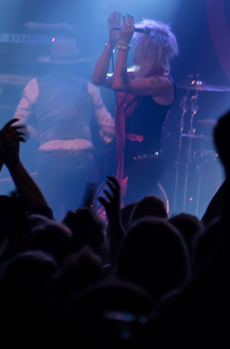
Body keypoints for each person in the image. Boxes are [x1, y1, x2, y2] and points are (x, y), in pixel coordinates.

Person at [13, 38, 115, 216]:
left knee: (46, 210)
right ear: (76, 63)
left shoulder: (35, 85)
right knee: (79, 213)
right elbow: (110, 129)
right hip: (83, 154)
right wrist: (103, 135)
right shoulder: (89, 87)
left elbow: (17, 125)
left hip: (51, 154)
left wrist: (42, 135)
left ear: (52, 62)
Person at [93, 12, 177, 205]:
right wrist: (112, 43)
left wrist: (124, 44)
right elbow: (98, 78)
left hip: (143, 164)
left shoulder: (162, 83)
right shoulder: (135, 74)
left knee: (131, 216)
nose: (135, 54)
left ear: (148, 53)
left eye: (138, 48)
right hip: (126, 159)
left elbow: (119, 84)